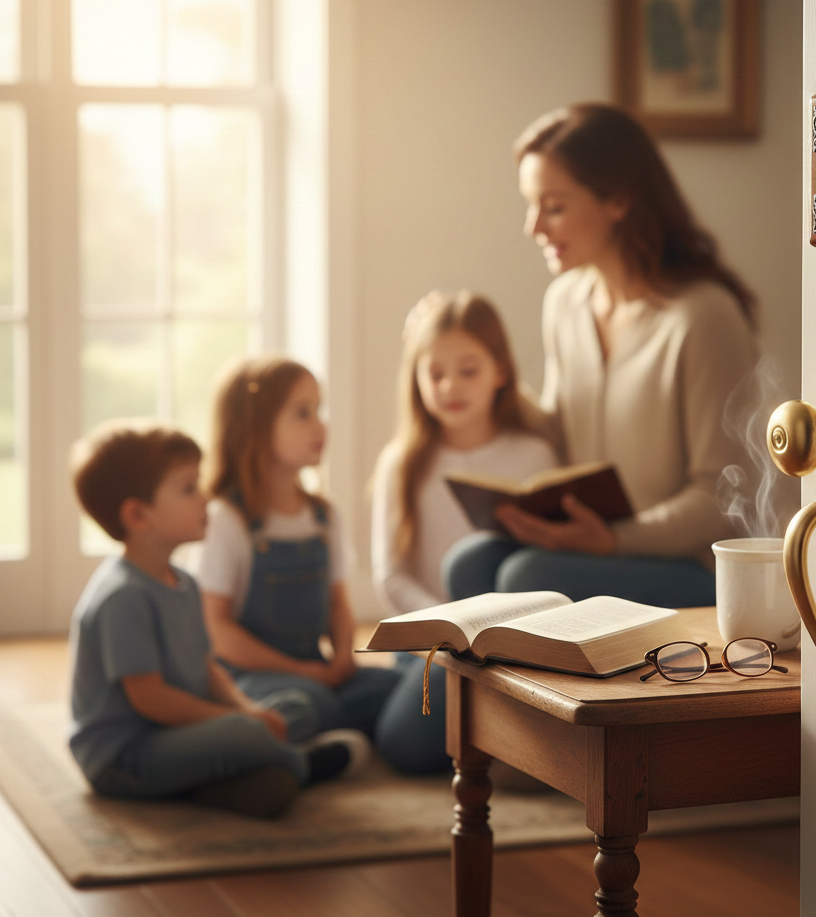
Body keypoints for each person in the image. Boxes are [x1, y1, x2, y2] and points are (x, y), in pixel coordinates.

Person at [443, 103, 758, 608]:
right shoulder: (566, 302)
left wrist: (616, 540)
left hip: (688, 565)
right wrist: (479, 369)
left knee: (525, 575)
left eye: (554, 206)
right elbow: (559, 433)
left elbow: (720, 497)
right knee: (468, 563)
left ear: (618, 199)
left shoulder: (703, 317)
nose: (534, 227)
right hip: (597, 547)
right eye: (531, 205)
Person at [68, 422, 368, 820]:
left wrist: (247, 707)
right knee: (247, 733)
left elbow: (206, 668)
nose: (206, 498)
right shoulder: (123, 596)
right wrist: (241, 720)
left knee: (290, 709)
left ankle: (229, 779)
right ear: (139, 514)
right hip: (126, 757)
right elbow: (151, 700)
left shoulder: (185, 583)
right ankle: (302, 766)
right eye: (189, 489)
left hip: (177, 734)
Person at [371, 291, 558, 773]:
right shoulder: (402, 462)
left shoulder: (534, 456)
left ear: (500, 371)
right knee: (402, 745)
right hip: (432, 643)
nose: (450, 385)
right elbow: (390, 577)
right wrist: (448, 630)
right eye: (434, 373)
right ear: (415, 379)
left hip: (511, 645)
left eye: (468, 370)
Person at [194, 356, 401, 746]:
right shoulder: (227, 519)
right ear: (253, 428)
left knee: (404, 686)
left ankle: (307, 739)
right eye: (302, 413)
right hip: (249, 677)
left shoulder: (325, 515)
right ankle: (285, 748)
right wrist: (302, 672)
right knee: (307, 703)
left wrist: (342, 658)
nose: (320, 425)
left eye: (318, 410)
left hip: (315, 670)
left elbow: (338, 604)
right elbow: (217, 630)